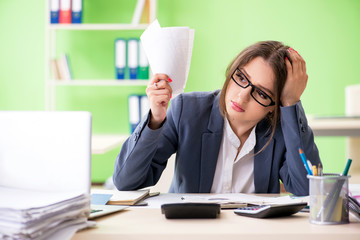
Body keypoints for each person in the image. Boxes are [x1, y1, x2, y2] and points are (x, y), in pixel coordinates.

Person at [113, 40, 321, 196]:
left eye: (261, 94)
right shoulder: (187, 110)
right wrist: (155, 120)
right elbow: (126, 181)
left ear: (274, 107)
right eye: (241, 78)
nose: (242, 96)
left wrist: (292, 102)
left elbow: (308, 190)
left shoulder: (283, 129)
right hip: (191, 231)